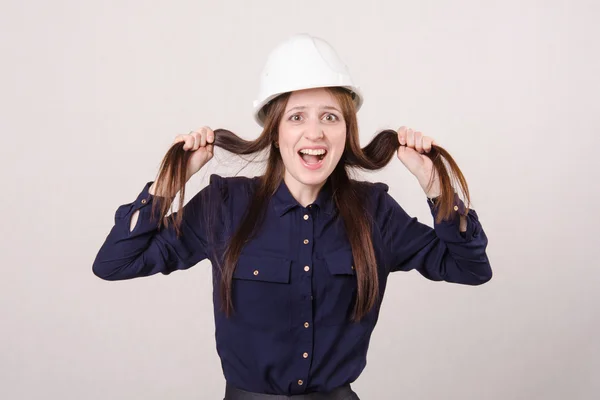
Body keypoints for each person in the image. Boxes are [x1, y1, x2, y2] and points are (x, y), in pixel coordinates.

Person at [92, 33, 492, 400]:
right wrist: (169, 181)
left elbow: (470, 267)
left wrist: (435, 185)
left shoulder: (375, 212)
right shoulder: (224, 206)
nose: (314, 133)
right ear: (275, 131)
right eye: (297, 116)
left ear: (346, 131)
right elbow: (115, 262)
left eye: (330, 117)